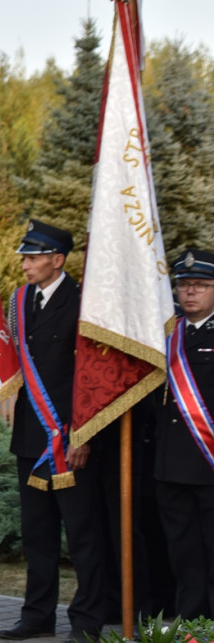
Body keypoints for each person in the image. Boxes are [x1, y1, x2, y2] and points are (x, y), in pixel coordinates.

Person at [0, 220, 106, 643]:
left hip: (72, 437)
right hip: (31, 437)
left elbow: (92, 376)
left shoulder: (84, 303)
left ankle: (88, 619)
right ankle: (36, 616)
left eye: (33, 257)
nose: (24, 264)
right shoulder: (21, 301)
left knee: (82, 535)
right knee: (37, 534)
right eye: (25, 256)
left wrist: (84, 434)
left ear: (57, 260)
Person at [155, 248, 214, 620]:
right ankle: (191, 624)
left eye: (201, 285)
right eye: (184, 285)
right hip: (170, 464)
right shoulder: (165, 334)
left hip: (209, 466)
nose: (190, 292)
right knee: (183, 551)